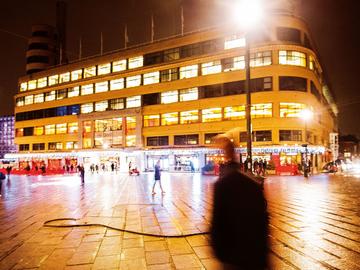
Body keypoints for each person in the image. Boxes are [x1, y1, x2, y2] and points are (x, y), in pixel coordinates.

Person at [211, 136, 268, 270]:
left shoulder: (222, 186)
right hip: (255, 256)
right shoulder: (254, 185)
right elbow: (263, 222)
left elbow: (217, 225)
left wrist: (220, 254)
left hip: (232, 258)